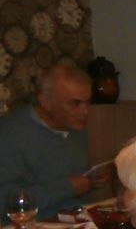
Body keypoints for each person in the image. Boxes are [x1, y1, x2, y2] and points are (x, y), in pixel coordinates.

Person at [0, 62, 106, 218]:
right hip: (33, 227)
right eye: (75, 103)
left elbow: (66, 176)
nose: (85, 111)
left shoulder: (73, 126)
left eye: (88, 102)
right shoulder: (10, 134)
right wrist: (67, 188)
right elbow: (5, 200)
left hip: (79, 220)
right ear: (46, 102)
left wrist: (90, 180)